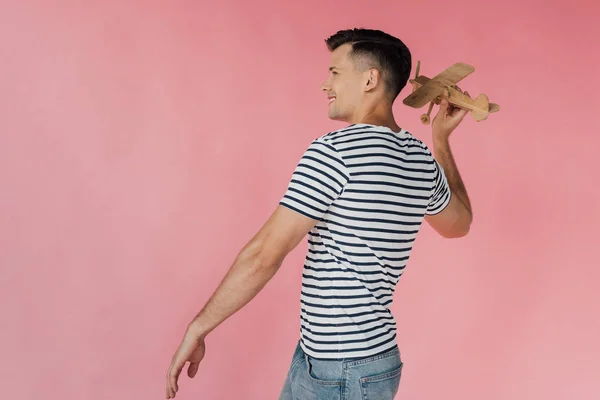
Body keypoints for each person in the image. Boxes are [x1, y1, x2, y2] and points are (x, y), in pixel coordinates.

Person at [165, 28, 473, 400]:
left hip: (341, 369)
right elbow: (458, 225)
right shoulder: (419, 159)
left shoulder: (335, 152)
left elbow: (265, 254)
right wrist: (440, 141)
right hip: (352, 359)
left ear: (370, 79)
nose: (325, 85)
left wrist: (198, 327)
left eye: (335, 72)